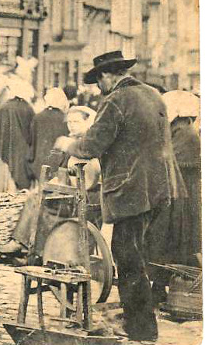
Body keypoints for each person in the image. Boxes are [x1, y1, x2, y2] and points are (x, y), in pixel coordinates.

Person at [54, 51, 182, 342]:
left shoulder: (116, 99)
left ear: (107, 75)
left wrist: (68, 143)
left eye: (99, 81)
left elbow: (93, 145)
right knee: (139, 255)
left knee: (127, 257)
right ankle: (140, 320)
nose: (99, 88)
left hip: (132, 190)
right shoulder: (152, 94)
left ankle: (141, 329)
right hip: (160, 187)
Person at [0, 106, 100, 255]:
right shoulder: (67, 140)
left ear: (87, 122)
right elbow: (52, 165)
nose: (71, 125)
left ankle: (26, 246)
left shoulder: (89, 143)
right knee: (36, 198)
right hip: (69, 193)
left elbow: (90, 174)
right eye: (69, 122)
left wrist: (67, 149)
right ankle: (28, 247)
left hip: (84, 198)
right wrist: (57, 153)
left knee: (37, 202)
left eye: (76, 122)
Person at [146, 91, 201, 303]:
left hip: (182, 198)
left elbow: (170, 163)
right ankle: (161, 287)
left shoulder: (185, 134)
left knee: (172, 241)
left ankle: (174, 289)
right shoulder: (177, 131)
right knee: (167, 242)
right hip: (177, 195)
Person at [0, 80, 35, 192]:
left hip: (3, 150)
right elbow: (32, 132)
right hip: (22, 151)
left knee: (3, 179)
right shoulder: (28, 108)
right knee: (19, 179)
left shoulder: (3, 107)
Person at [28, 88, 69, 181]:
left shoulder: (37, 117)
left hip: (40, 160)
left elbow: (32, 140)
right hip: (58, 161)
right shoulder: (65, 118)